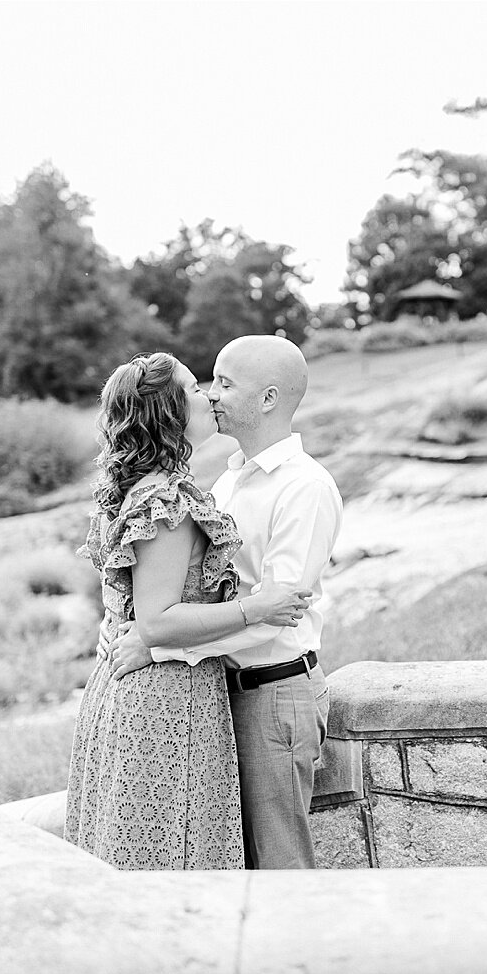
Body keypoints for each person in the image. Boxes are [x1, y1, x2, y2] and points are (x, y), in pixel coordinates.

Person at [65, 351, 314, 871]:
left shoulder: (169, 489)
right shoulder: (169, 498)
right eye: (197, 387)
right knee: (174, 853)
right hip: (165, 698)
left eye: (218, 384)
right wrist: (255, 607)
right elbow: (157, 618)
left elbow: (138, 605)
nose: (209, 395)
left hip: (158, 682)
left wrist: (125, 629)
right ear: (171, 413)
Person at [116, 334, 344, 869]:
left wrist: (161, 645)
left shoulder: (304, 488)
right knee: (228, 863)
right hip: (219, 693)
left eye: (225, 382)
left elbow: (274, 613)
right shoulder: (229, 480)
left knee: (279, 862)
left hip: (274, 695)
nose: (210, 394)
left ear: (268, 399)